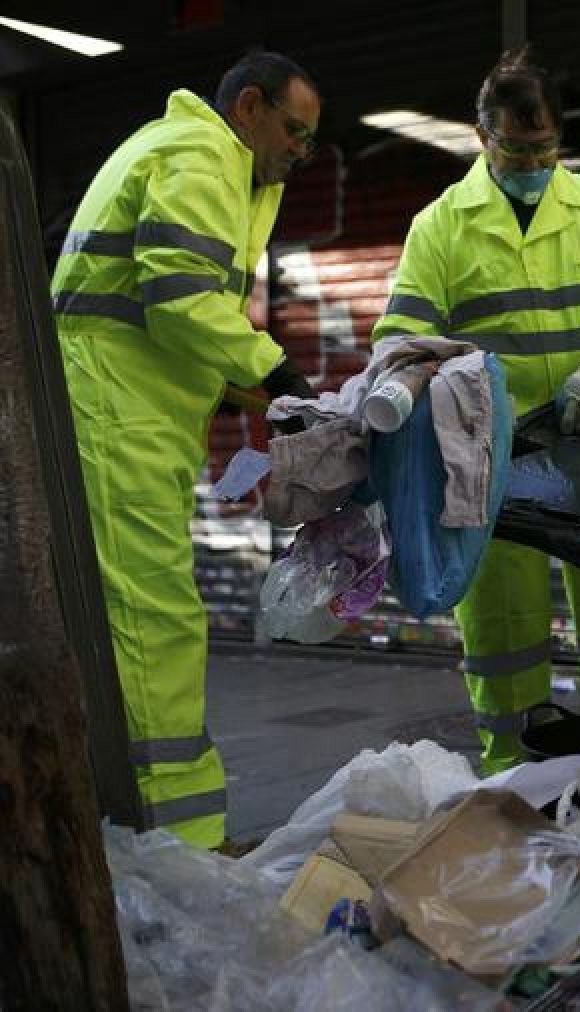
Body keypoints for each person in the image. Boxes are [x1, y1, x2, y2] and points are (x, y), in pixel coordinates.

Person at [52, 52, 321, 849]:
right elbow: (180, 303)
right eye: (294, 130)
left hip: (128, 410)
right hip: (119, 416)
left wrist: (274, 398)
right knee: (153, 620)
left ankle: (132, 833)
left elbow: (160, 314)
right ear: (249, 107)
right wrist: (274, 368)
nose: (301, 152)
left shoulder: (185, 155)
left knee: (132, 619)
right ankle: (182, 850)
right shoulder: (201, 157)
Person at [372, 46, 580, 774]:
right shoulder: (441, 226)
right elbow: (398, 338)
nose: (534, 160)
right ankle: (515, 778)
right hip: (489, 461)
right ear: (482, 136)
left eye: (545, 146)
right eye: (517, 146)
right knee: (504, 632)